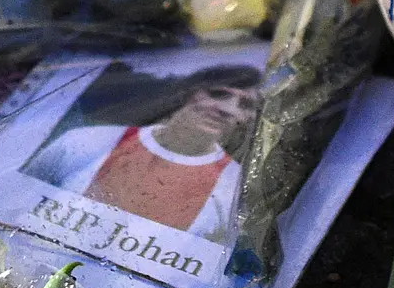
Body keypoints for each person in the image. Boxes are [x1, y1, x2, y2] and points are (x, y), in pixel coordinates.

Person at [21, 68, 262, 241]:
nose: (227, 109)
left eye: (245, 105)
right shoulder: (84, 141)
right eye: (218, 93)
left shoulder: (235, 189)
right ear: (189, 93)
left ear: (248, 119)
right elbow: (17, 198)